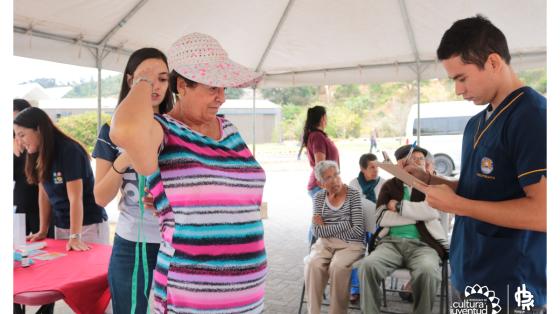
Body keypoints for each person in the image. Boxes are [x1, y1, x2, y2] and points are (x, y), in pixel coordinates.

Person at [109, 32, 267, 313]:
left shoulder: (228, 128)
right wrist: (145, 79)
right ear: (181, 85)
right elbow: (124, 130)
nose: (222, 97)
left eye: (224, 88)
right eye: (212, 88)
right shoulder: (164, 130)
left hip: (249, 294)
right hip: (191, 297)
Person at [411, 15, 546, 312]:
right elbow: (480, 187)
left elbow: (544, 212)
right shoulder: (476, 123)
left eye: (462, 78)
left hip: (511, 287)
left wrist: (457, 206)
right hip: (468, 275)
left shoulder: (533, 116)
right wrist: (435, 183)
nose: (458, 90)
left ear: (494, 62)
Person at [92, 48, 173, 313]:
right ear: (130, 81)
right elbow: (100, 198)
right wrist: (124, 158)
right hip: (129, 243)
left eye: (162, 78)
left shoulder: (178, 129)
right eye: (145, 78)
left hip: (175, 243)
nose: (155, 86)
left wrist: (165, 196)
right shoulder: (111, 132)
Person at [359, 145, 448, 314]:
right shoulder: (389, 186)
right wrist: (419, 213)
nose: (416, 163)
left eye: (420, 159)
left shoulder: (432, 186)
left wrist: (399, 206)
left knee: (428, 270)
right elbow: (381, 217)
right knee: (367, 266)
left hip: (425, 245)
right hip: (390, 244)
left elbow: (432, 211)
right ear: (399, 165)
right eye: (411, 160)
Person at [14, 107, 109, 251]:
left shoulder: (69, 151)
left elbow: (76, 198)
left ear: (38, 129)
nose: (19, 141)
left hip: (87, 226)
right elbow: (44, 193)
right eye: (16, 136)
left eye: (22, 135)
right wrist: (43, 230)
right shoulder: (37, 153)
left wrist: (75, 236)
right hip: (61, 225)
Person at [304, 160, 365, 314]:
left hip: (350, 245)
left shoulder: (353, 194)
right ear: (321, 183)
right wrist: (345, 224)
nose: (335, 180)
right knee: (313, 264)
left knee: (337, 267)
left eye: (336, 175)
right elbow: (317, 232)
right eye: (328, 178)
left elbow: (358, 231)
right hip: (324, 244)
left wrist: (326, 227)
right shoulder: (319, 198)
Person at [347, 153, 386, 303]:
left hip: (378, 224)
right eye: (372, 167)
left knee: (375, 253)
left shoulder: (383, 183)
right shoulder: (353, 184)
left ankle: (372, 287)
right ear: (362, 168)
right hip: (359, 224)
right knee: (356, 251)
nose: (376, 170)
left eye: (377, 167)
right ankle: (355, 289)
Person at [302, 105, 340, 198]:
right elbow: (321, 165)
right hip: (321, 187)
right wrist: (328, 187)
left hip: (325, 185)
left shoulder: (317, 135)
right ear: (323, 118)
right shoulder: (317, 136)